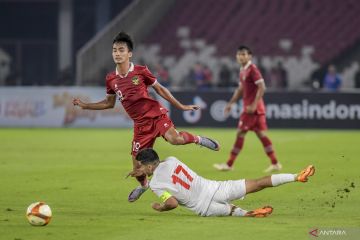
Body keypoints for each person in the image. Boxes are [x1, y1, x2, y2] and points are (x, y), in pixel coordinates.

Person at [73, 32, 220, 202]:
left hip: (155, 115)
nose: (117, 53)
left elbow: (160, 89)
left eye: (121, 50)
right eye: (114, 50)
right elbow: (109, 103)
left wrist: (180, 105)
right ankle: (144, 186)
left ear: (129, 54)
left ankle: (199, 140)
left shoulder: (141, 71)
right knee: (137, 169)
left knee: (175, 139)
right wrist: (86, 106)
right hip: (140, 126)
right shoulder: (111, 79)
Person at [129, 148, 315, 217]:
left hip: (204, 207)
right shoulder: (171, 159)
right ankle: (296, 176)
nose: (140, 168)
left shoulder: (155, 184)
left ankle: (251, 213)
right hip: (215, 188)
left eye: (141, 165)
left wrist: (160, 208)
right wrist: (146, 172)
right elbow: (160, 169)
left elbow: (172, 203)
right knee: (258, 183)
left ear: (147, 166)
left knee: (232, 211)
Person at [213, 46, 282, 173]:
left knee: (240, 133)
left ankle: (229, 164)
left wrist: (254, 104)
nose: (241, 56)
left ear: (250, 56)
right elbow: (240, 90)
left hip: (252, 109)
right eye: (239, 54)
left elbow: (262, 87)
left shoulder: (252, 70)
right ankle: (275, 163)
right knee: (261, 135)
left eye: (244, 54)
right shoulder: (242, 70)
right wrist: (230, 103)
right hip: (254, 109)